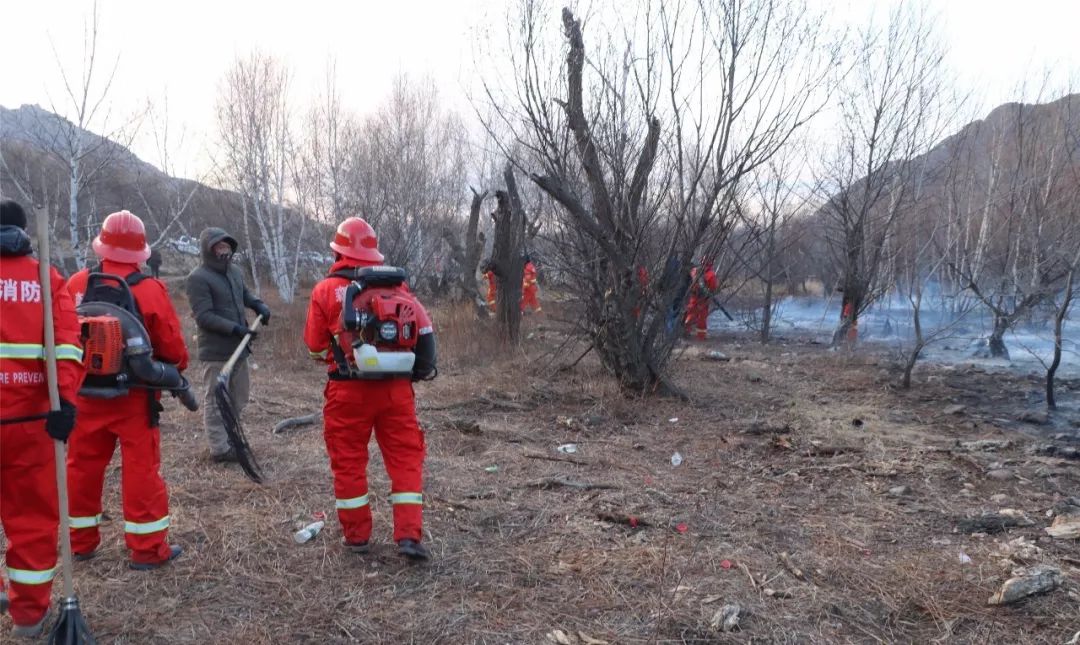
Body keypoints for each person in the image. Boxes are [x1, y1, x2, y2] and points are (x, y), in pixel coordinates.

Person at [304, 217, 437, 562]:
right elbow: (423, 335)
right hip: (397, 391)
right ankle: (409, 535)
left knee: (348, 461)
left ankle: (357, 536)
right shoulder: (398, 289)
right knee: (406, 459)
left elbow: (314, 346)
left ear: (338, 251)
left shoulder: (325, 291)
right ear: (373, 253)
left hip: (347, 390)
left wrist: (335, 355)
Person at [65, 210, 188, 570]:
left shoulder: (76, 284)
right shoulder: (149, 290)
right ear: (140, 252)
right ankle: (147, 550)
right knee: (141, 470)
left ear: (102, 245)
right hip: (134, 397)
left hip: (84, 395)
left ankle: (80, 542)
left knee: (81, 467)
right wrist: (175, 372)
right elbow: (173, 349)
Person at [0, 199, 84, 638]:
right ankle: (29, 616)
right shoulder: (45, 278)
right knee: (32, 518)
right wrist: (65, 402)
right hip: (31, 421)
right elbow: (68, 345)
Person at [185, 228, 270, 462]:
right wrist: (236, 329)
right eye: (219, 246)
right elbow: (204, 316)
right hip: (216, 351)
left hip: (239, 349)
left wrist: (258, 305)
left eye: (226, 246)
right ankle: (219, 449)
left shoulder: (235, 272)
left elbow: (246, 294)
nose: (224, 250)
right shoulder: (197, 278)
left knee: (239, 397)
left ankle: (232, 437)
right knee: (215, 399)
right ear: (209, 249)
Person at [684, 260, 718, 340]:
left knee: (690, 313)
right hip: (703, 299)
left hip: (694, 297)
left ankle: (686, 331)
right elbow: (713, 288)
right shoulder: (711, 275)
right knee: (702, 318)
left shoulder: (694, 271)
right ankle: (701, 337)